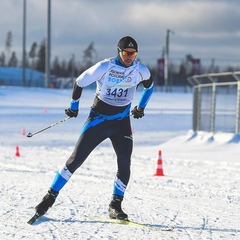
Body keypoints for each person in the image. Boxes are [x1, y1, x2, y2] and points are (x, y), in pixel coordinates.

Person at [34, 36, 154, 221]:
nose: (130, 57)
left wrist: (141, 107)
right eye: (126, 53)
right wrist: (74, 107)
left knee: (124, 162)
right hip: (98, 120)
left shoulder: (140, 70)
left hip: (121, 123)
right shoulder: (105, 67)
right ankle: (49, 198)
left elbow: (150, 86)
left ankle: (115, 205)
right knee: (75, 160)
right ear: (119, 51)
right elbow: (79, 82)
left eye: (133, 53)